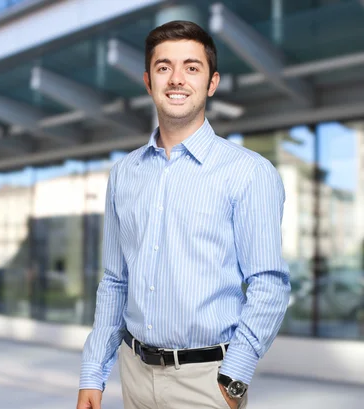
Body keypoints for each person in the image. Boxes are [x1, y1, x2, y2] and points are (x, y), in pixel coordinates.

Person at [77, 20, 290, 409]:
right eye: (164, 68)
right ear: (148, 81)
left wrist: (234, 378)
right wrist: (93, 372)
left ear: (211, 83)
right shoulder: (124, 173)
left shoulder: (248, 172)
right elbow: (114, 281)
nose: (177, 79)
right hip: (135, 375)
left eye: (191, 67)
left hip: (207, 382)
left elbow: (269, 284)